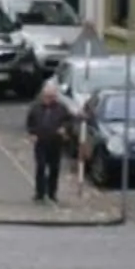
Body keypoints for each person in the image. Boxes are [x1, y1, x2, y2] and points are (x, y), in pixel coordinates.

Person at [25, 77, 76, 205]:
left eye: (52, 97)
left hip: (55, 142)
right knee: (41, 166)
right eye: (47, 96)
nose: (49, 99)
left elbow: (69, 121)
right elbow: (30, 122)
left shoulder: (61, 108)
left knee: (54, 168)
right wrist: (32, 133)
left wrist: (64, 128)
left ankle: (52, 193)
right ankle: (40, 193)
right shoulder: (36, 107)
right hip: (41, 141)